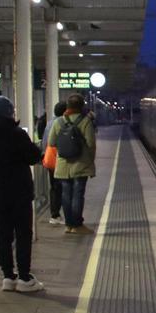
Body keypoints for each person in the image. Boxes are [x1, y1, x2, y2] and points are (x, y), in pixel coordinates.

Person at [0, 96, 44, 292]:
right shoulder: (15, 134)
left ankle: (8, 277)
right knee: (23, 234)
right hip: (19, 192)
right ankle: (24, 278)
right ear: (8, 112)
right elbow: (33, 156)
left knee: (3, 235)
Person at [50, 93, 97, 234]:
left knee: (66, 194)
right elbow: (91, 143)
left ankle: (69, 225)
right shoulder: (85, 121)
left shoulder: (58, 122)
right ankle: (77, 225)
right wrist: (90, 160)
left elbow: (51, 142)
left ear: (68, 106)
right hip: (81, 164)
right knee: (77, 194)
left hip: (63, 165)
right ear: (82, 106)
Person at [41, 101, 66, 225]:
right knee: (64, 187)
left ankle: (54, 214)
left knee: (54, 187)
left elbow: (45, 143)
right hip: (63, 160)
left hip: (51, 160)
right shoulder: (64, 123)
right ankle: (61, 215)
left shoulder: (49, 123)